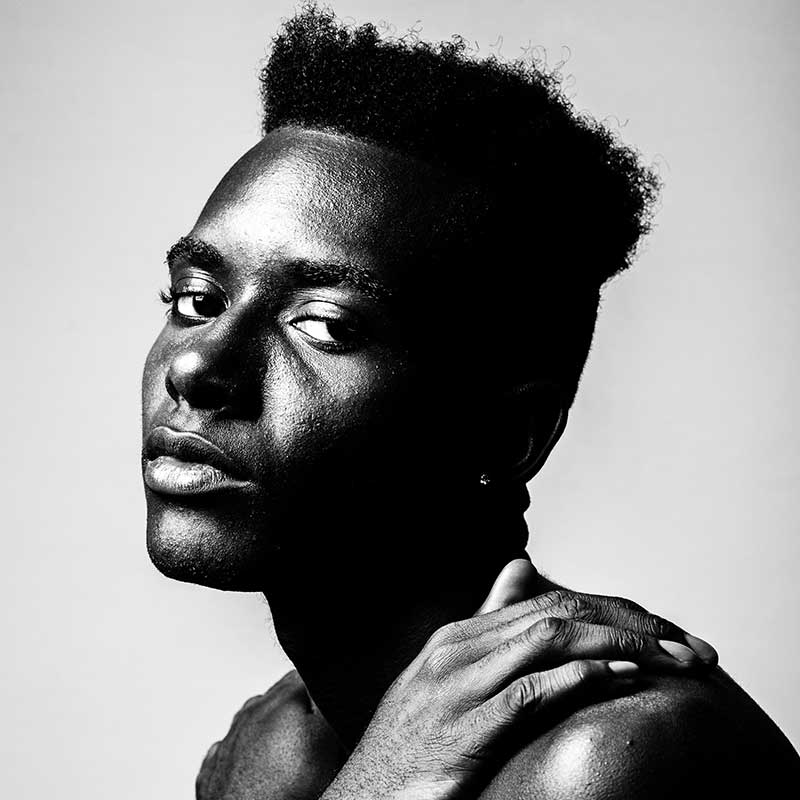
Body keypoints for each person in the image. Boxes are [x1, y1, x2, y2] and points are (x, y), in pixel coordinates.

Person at [140, 5, 799, 797]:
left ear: (508, 434)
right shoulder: (269, 752)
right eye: (197, 300)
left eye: (325, 325)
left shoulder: (605, 757)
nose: (197, 367)